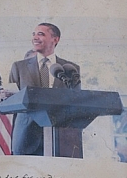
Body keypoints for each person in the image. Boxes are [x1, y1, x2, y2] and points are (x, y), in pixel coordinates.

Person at [8, 23, 81, 156]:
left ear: (55, 39)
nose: (35, 37)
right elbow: (11, 102)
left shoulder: (70, 68)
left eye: (40, 34)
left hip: (61, 138)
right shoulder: (19, 67)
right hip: (26, 138)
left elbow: (76, 101)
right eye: (33, 34)